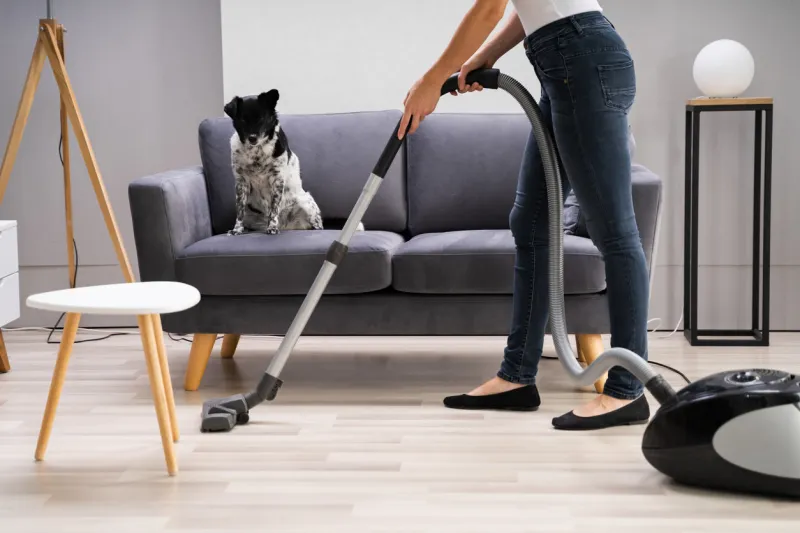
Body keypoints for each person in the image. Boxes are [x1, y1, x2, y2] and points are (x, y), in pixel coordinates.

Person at [399, 0, 650, 430]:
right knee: (530, 222)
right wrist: (486, 56)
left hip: (581, 61)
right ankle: (516, 377)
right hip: (567, 62)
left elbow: (489, 8)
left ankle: (627, 390)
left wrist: (433, 77)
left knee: (615, 232)